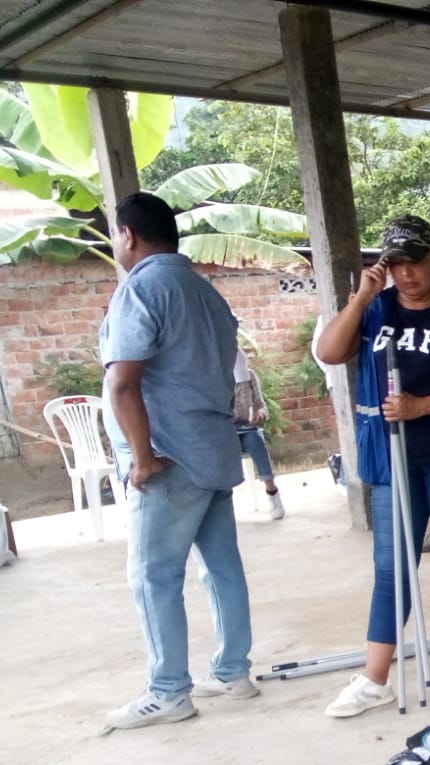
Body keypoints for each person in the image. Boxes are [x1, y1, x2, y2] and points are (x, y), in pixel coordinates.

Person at [314, 214, 430, 717]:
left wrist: (421, 406)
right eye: (395, 263)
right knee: (391, 567)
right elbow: (329, 352)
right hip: (390, 457)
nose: (406, 273)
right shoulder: (374, 311)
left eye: (415, 261)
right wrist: (361, 298)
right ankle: (376, 678)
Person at [99, 191, 257, 728]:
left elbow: (123, 383)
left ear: (128, 234)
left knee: (153, 576)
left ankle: (168, 690)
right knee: (222, 567)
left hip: (169, 456)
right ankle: (233, 671)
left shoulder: (141, 289)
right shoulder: (204, 291)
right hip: (212, 448)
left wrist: (142, 458)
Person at [231, 348, 284, 520]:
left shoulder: (250, 377)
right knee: (221, 448)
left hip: (248, 428)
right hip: (226, 431)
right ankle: (223, 500)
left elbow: (261, 406)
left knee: (255, 441)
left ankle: (272, 491)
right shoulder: (215, 380)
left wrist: (260, 415)